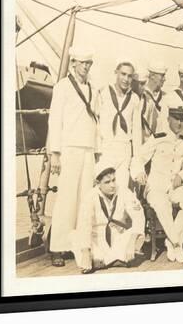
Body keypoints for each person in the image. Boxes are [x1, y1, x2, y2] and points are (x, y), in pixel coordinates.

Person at [47, 46, 100, 267]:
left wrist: (97, 151)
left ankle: (76, 243)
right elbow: (55, 121)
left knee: (84, 199)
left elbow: (95, 122)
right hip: (69, 148)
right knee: (66, 199)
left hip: (87, 148)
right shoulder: (62, 87)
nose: (85, 66)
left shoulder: (92, 88)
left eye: (88, 63)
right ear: (74, 64)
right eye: (82, 62)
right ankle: (57, 247)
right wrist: (55, 154)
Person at [130, 106, 183, 263]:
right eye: (176, 119)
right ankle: (177, 244)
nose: (180, 123)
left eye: (182, 119)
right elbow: (138, 157)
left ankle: (172, 242)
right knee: (162, 205)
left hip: (174, 186)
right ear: (168, 120)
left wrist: (182, 176)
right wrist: (139, 173)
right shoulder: (157, 138)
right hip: (156, 187)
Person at [75, 163, 146, 273]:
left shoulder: (124, 191)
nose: (112, 185)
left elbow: (138, 216)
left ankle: (102, 262)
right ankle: (117, 260)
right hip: (96, 238)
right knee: (75, 236)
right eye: (107, 182)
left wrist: (131, 243)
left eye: (114, 180)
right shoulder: (90, 196)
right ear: (98, 183)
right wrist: (85, 252)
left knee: (138, 235)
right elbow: (84, 225)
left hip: (117, 237)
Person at [97, 60, 142, 189]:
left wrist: (137, 162)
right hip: (105, 149)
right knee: (103, 191)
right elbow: (96, 124)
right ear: (116, 73)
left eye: (129, 76)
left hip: (124, 151)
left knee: (120, 191)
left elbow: (137, 133)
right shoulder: (103, 93)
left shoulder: (134, 99)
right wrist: (97, 151)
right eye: (123, 74)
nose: (126, 79)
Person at [140, 61, 167, 143]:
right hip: (145, 144)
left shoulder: (165, 97)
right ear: (152, 76)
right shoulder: (142, 96)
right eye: (162, 76)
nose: (164, 79)